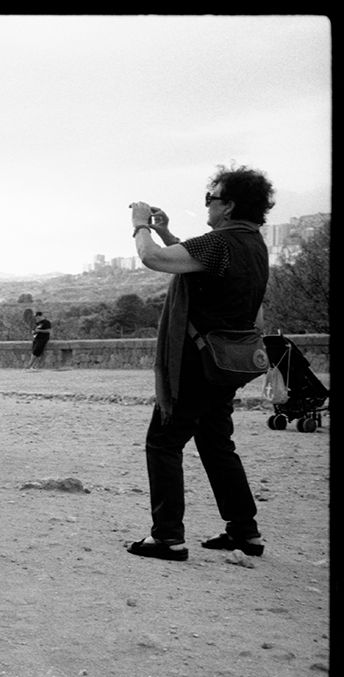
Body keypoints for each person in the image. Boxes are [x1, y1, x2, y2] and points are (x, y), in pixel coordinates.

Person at [126, 164, 273, 562]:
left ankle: (168, 538)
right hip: (228, 362)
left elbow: (153, 259)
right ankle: (245, 532)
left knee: (163, 442)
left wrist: (140, 225)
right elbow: (200, 269)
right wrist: (167, 232)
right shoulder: (254, 245)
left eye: (211, 198)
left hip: (196, 362)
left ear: (230, 206)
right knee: (216, 443)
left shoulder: (220, 243)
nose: (206, 205)